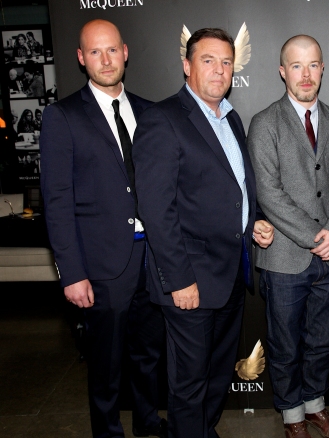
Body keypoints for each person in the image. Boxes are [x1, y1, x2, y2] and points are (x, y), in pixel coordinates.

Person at [132, 27, 274, 438]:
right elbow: (156, 211)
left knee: (215, 374)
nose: (219, 70)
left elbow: (239, 191)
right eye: (208, 60)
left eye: (226, 62)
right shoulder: (163, 118)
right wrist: (179, 280)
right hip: (189, 280)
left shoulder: (230, 117)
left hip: (230, 275)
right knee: (189, 382)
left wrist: (255, 222)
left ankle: (200, 430)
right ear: (186, 66)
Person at [40, 19, 167, 438]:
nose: (105, 59)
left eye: (111, 50)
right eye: (94, 52)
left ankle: (149, 424)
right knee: (106, 363)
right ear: (80, 58)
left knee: (149, 355)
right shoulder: (63, 116)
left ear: (126, 52)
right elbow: (56, 202)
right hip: (101, 264)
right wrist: (71, 273)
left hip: (153, 259)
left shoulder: (151, 112)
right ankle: (108, 433)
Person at [247, 35, 329, 438]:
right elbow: (269, 194)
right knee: (285, 343)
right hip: (284, 257)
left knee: (321, 340)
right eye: (296, 65)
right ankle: (292, 415)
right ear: (282, 71)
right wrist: (318, 236)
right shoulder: (264, 123)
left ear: (323, 69)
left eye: (313, 65)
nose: (306, 74)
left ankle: (315, 406)